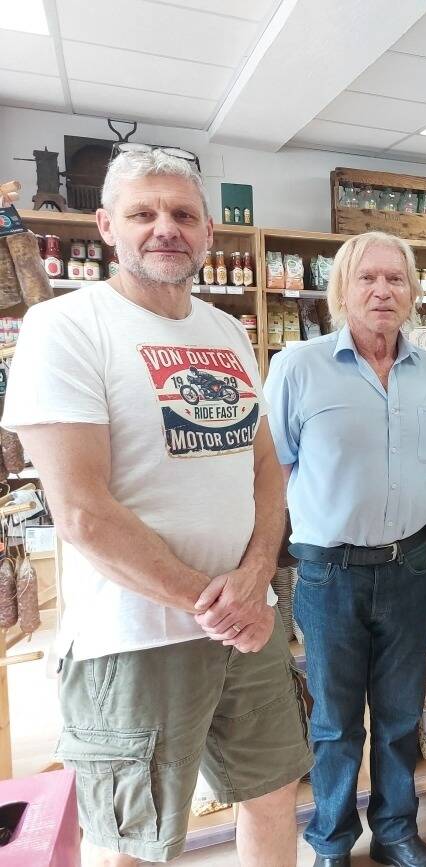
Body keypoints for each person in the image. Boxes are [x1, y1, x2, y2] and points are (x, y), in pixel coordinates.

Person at [0, 150, 311, 865]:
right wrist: (217, 603)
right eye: (144, 213)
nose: (164, 228)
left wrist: (257, 572)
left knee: (272, 794)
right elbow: (82, 511)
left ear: (207, 234)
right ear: (108, 226)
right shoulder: (66, 327)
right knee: (140, 839)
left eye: (182, 214)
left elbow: (265, 466)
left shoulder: (228, 331)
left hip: (246, 620)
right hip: (135, 636)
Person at [264, 232, 426, 867]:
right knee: (336, 722)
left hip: (409, 565)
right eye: (366, 279)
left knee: (400, 717)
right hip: (329, 572)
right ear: (341, 290)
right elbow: (275, 469)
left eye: (395, 280)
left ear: (413, 292)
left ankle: (396, 831)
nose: (381, 291)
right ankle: (332, 843)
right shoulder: (298, 365)